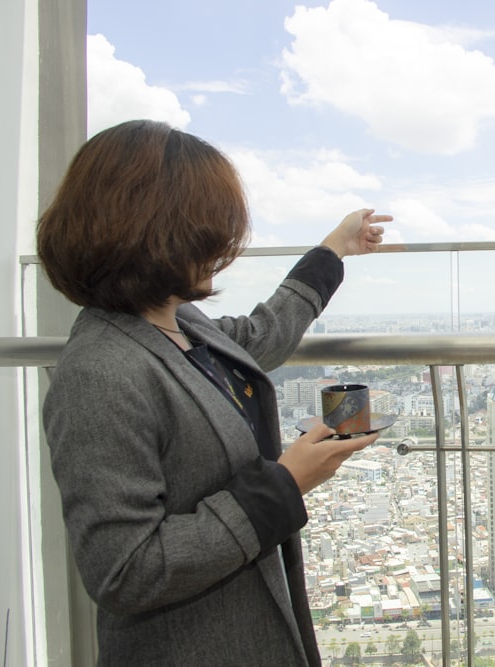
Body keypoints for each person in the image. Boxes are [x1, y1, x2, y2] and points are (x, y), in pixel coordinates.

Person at [36, 119, 392, 666]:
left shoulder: (178, 323)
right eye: (211, 229)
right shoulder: (100, 370)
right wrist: (285, 482)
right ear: (156, 231)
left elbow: (259, 336)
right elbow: (123, 571)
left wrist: (334, 250)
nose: (223, 246)